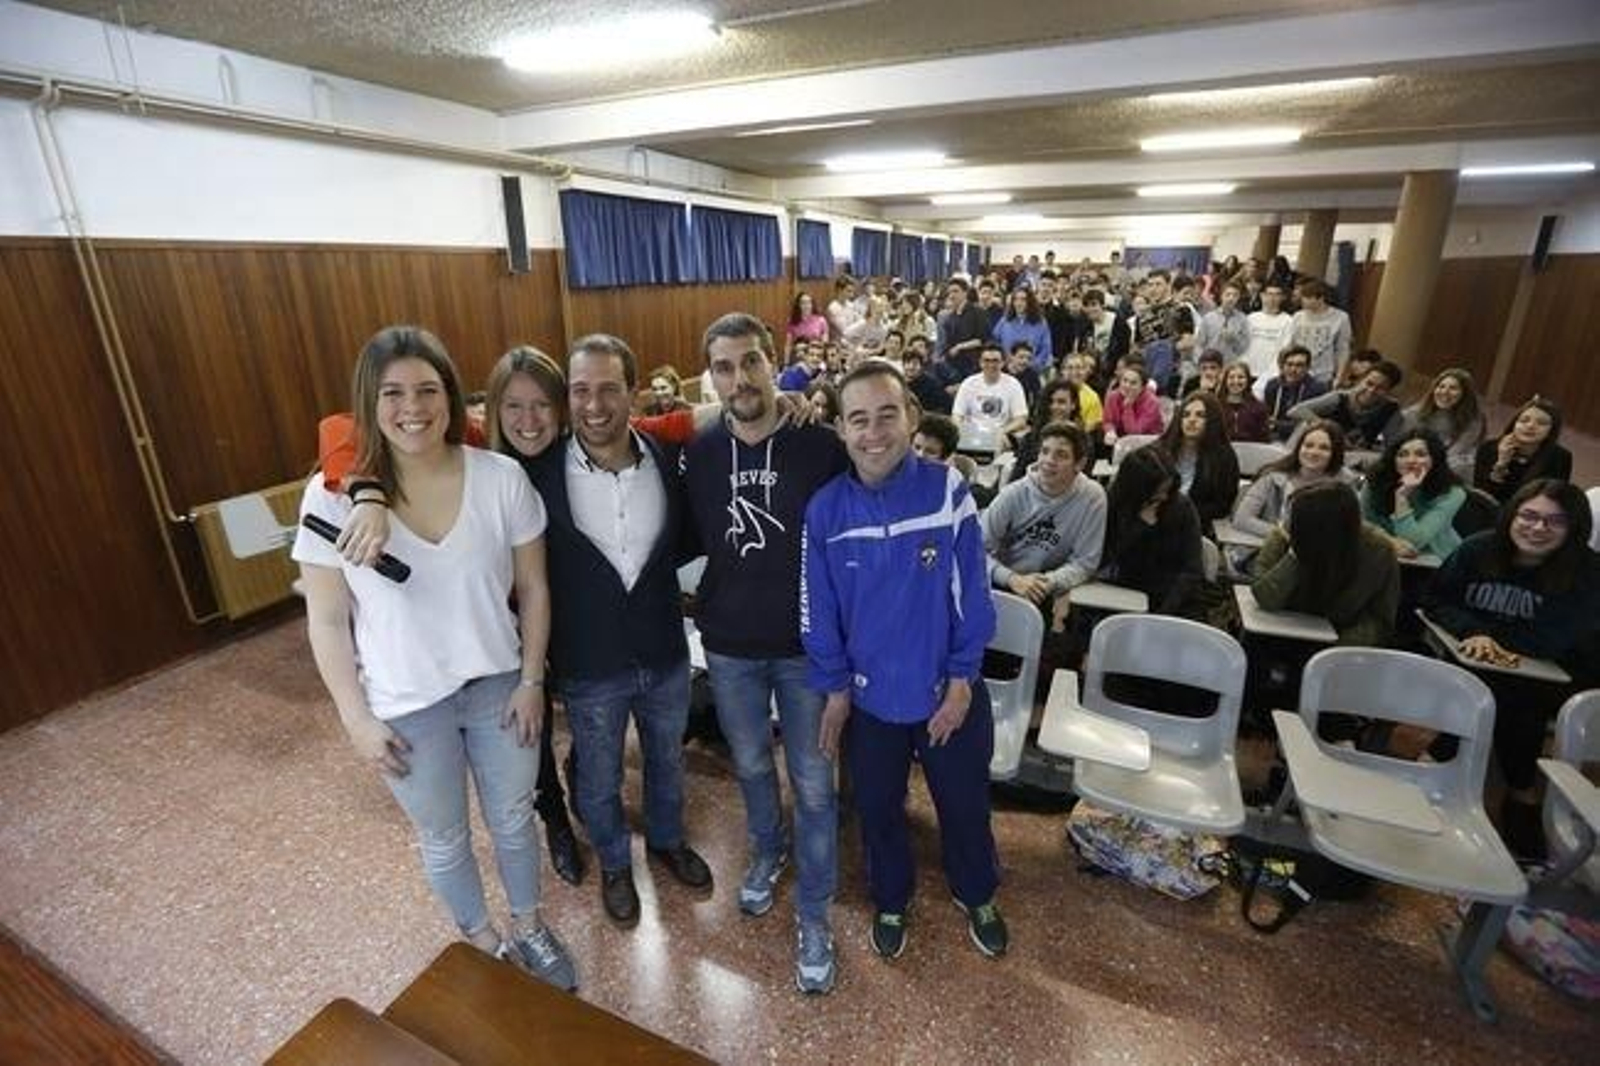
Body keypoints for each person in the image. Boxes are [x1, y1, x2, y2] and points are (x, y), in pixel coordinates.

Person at [295, 326, 578, 989]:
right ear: (370, 403)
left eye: (427, 389)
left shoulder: (499, 477)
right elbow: (328, 621)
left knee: (512, 819)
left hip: (500, 687)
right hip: (405, 705)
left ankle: (530, 926)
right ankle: (481, 940)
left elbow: (534, 589)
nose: (411, 407)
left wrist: (533, 678)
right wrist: (355, 720)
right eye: (392, 393)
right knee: (445, 835)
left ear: (451, 399)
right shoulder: (331, 497)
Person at [801, 362, 1006, 961]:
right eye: (858, 420)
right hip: (870, 704)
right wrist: (836, 689)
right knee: (878, 810)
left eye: (887, 415)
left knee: (964, 805)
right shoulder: (825, 511)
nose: (874, 432)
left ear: (911, 417)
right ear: (840, 429)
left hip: (949, 693)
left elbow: (974, 591)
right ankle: (891, 897)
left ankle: (977, 891)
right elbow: (818, 611)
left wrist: (964, 680)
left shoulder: (947, 491)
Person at [523, 334, 713, 928]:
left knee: (666, 761)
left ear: (634, 392)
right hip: (588, 662)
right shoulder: (537, 473)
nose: (594, 404)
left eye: (608, 388)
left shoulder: (665, 458)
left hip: (663, 650)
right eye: (580, 390)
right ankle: (612, 861)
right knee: (600, 776)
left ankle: (665, 839)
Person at [684, 313, 848, 994]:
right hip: (729, 646)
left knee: (813, 784)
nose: (739, 379)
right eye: (723, 367)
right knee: (751, 764)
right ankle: (766, 853)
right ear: (711, 376)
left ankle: (815, 912)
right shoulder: (701, 449)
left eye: (750, 362)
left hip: (806, 649)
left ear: (775, 362)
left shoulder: (821, 445)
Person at [1423, 479, 1600, 857]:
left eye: (1554, 522)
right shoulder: (1478, 549)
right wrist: (1474, 633)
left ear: (1573, 529)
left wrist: (1489, 640)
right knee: (1497, 688)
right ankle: (1523, 794)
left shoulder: (1588, 572)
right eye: (1529, 516)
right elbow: (1436, 599)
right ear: (1512, 515)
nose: (1538, 528)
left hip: (1555, 676)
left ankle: (1443, 755)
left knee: (1512, 694)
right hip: (1474, 667)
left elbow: (1558, 638)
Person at [1251, 481, 1399, 646]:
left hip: (1339, 640)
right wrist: (1295, 554)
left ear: (1324, 527)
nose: (1286, 521)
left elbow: (1379, 619)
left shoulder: (1377, 550)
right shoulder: (1284, 534)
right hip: (1280, 627)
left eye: (1295, 517)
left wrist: (1336, 648)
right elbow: (1265, 597)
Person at [983, 422, 1107, 613]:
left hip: (1046, 588)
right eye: (1045, 451)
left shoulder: (1093, 497)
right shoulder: (1012, 494)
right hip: (1001, 582)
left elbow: (1085, 562)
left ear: (1080, 464)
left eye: (1061, 455)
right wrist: (1011, 579)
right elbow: (975, 551)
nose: (1049, 460)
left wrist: (1045, 583)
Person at [1099, 446, 1205, 618]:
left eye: (1167, 490)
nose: (1164, 497)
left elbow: (1192, 570)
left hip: (1172, 598)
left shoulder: (1181, 507)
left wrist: (1163, 613)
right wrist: (1140, 527)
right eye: (1158, 491)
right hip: (1123, 592)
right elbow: (1105, 558)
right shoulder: (1113, 502)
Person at [1231, 420, 1352, 539]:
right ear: (1299, 448)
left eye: (1324, 448)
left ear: (1335, 453)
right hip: (1269, 547)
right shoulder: (1272, 478)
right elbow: (1241, 520)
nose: (1314, 452)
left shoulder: (1344, 488)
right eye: (1308, 445)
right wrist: (1290, 537)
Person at [1362, 428, 1466, 559]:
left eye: (1420, 454)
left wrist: (1402, 497)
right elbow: (1363, 524)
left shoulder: (1453, 492)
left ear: (1435, 459)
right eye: (1402, 454)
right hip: (1384, 554)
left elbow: (1414, 541)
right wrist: (1390, 542)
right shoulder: (1376, 481)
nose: (1411, 460)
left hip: (1434, 560)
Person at [1156, 391, 1240, 528]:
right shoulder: (1162, 448)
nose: (1192, 420)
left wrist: (1182, 514)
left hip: (1196, 525)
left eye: (1200, 415)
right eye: (1186, 415)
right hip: (1155, 518)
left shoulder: (1225, 457)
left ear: (1212, 420)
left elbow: (1222, 506)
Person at [1287, 356, 1403, 451]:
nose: (1371, 391)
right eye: (1369, 383)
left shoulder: (1390, 409)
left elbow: (1392, 444)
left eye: (1380, 388)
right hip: (1323, 447)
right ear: (1361, 380)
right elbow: (1295, 411)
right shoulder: (1340, 397)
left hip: (1354, 455)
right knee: (1304, 426)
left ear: (1389, 391)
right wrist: (1330, 430)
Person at [1473, 398, 1572, 504]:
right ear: (1514, 424)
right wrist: (1501, 464)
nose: (1530, 426)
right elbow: (1480, 495)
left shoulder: (1560, 457)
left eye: (1541, 423)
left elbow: (1553, 499)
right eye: (1524, 420)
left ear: (1551, 431)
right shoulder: (1488, 448)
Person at [1400, 368, 1486, 481]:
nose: (1445, 392)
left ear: (1465, 394)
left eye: (1453, 388)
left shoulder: (1474, 420)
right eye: (1441, 386)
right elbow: (1402, 441)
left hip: (1449, 467)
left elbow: (1456, 452)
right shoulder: (1416, 412)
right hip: (1414, 462)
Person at [952, 343, 1029, 438]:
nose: (991, 365)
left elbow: (1021, 419)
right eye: (986, 361)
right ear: (980, 363)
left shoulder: (1014, 384)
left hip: (1001, 433)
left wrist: (1002, 432)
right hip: (971, 433)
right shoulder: (968, 383)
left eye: (995, 361)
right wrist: (962, 431)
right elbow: (957, 415)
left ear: (1003, 363)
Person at [1289, 279, 1351, 384]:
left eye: (1308, 298)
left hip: (1324, 374)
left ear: (1321, 298)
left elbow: (1343, 350)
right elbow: (1291, 344)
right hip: (1297, 372)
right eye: (1303, 297)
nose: (1303, 301)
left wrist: (1339, 376)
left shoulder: (1341, 317)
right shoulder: (1297, 316)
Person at [1101, 362, 1164, 447]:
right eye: (1124, 380)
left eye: (1133, 383)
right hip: (1120, 440)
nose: (1127, 385)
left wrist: (1128, 407)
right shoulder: (1113, 396)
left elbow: (1134, 433)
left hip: (1146, 443)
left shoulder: (1152, 403)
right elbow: (1108, 421)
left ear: (1142, 387)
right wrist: (1110, 431)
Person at [1242, 283, 1296, 382]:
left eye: (1277, 294)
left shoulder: (1288, 321)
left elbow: (1285, 349)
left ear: (1282, 297)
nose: (1272, 298)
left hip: (1273, 375)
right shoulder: (1251, 318)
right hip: (1248, 372)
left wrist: (1275, 371)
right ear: (1262, 296)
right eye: (1269, 294)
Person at [992, 286, 1053, 373]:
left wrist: (1032, 365)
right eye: (1016, 299)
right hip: (1007, 370)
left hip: (1032, 371)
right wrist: (1005, 363)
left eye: (1023, 299)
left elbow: (1046, 349)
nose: (1019, 303)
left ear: (1030, 302)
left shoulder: (1040, 323)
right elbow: (995, 343)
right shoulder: (1005, 321)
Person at [1218, 360, 1270, 443]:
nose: (1236, 381)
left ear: (1248, 380)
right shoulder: (1215, 406)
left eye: (1241, 377)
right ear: (1225, 380)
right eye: (1231, 377)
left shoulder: (1259, 408)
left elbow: (1264, 438)